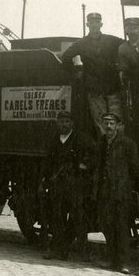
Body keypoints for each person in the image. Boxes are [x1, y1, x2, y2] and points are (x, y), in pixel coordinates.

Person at [61, 11, 125, 136]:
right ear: (87, 24)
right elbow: (66, 57)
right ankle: (105, 150)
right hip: (94, 90)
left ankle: (118, 150)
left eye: (97, 22)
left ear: (101, 24)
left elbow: (126, 47)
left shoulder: (111, 40)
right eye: (91, 23)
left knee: (117, 120)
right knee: (101, 122)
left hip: (112, 87)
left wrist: (122, 65)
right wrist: (76, 73)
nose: (94, 25)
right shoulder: (81, 43)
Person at [41, 110, 94, 261]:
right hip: (58, 184)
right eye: (61, 122)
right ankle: (58, 250)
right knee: (57, 217)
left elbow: (94, 154)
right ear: (57, 123)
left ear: (72, 123)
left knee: (78, 218)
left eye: (67, 122)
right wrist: (44, 180)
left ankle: (84, 252)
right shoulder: (54, 140)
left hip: (75, 184)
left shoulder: (82, 139)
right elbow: (48, 162)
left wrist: (84, 166)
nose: (64, 125)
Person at [97, 112, 139, 272]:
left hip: (121, 192)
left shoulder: (127, 144)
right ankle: (111, 259)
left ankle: (124, 263)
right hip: (105, 191)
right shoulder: (102, 143)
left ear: (117, 126)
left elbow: (137, 169)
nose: (108, 126)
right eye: (106, 123)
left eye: (111, 123)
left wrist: (124, 182)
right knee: (107, 225)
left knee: (122, 226)